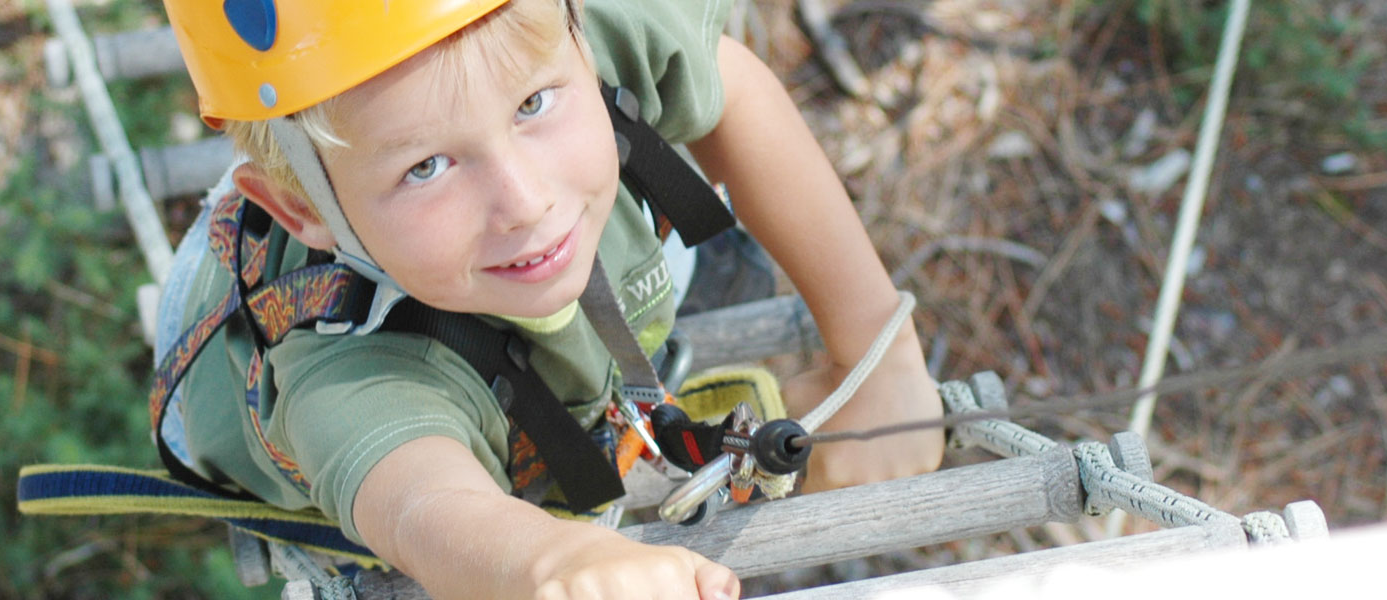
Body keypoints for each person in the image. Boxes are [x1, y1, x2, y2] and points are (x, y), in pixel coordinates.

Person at [150, 0, 945, 597]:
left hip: (419, 229)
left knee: (641, 223)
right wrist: (557, 561)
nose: (524, 200)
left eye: (534, 105)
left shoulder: (541, 22)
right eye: (426, 166)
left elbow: (728, 83)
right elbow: (423, 502)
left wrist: (877, 346)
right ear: (305, 213)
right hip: (253, 356)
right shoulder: (344, 373)